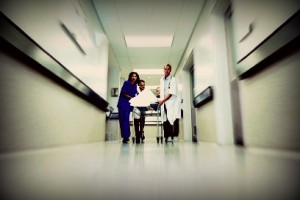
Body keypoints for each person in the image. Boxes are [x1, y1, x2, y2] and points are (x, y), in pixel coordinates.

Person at [158, 64, 180, 143]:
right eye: (165, 69)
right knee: (166, 119)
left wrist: (162, 100)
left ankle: (175, 135)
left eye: (168, 69)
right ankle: (168, 136)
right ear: (163, 70)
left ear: (170, 70)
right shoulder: (161, 79)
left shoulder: (173, 80)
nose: (166, 70)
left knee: (174, 119)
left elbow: (171, 93)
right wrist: (162, 101)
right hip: (164, 102)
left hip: (172, 102)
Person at [117, 72, 140, 143]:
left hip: (129, 104)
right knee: (123, 120)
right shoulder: (127, 83)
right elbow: (123, 93)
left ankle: (126, 136)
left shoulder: (136, 85)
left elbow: (136, 94)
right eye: (132, 76)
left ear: (137, 77)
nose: (133, 77)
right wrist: (131, 98)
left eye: (135, 76)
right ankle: (125, 137)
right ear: (130, 77)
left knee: (126, 120)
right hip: (123, 103)